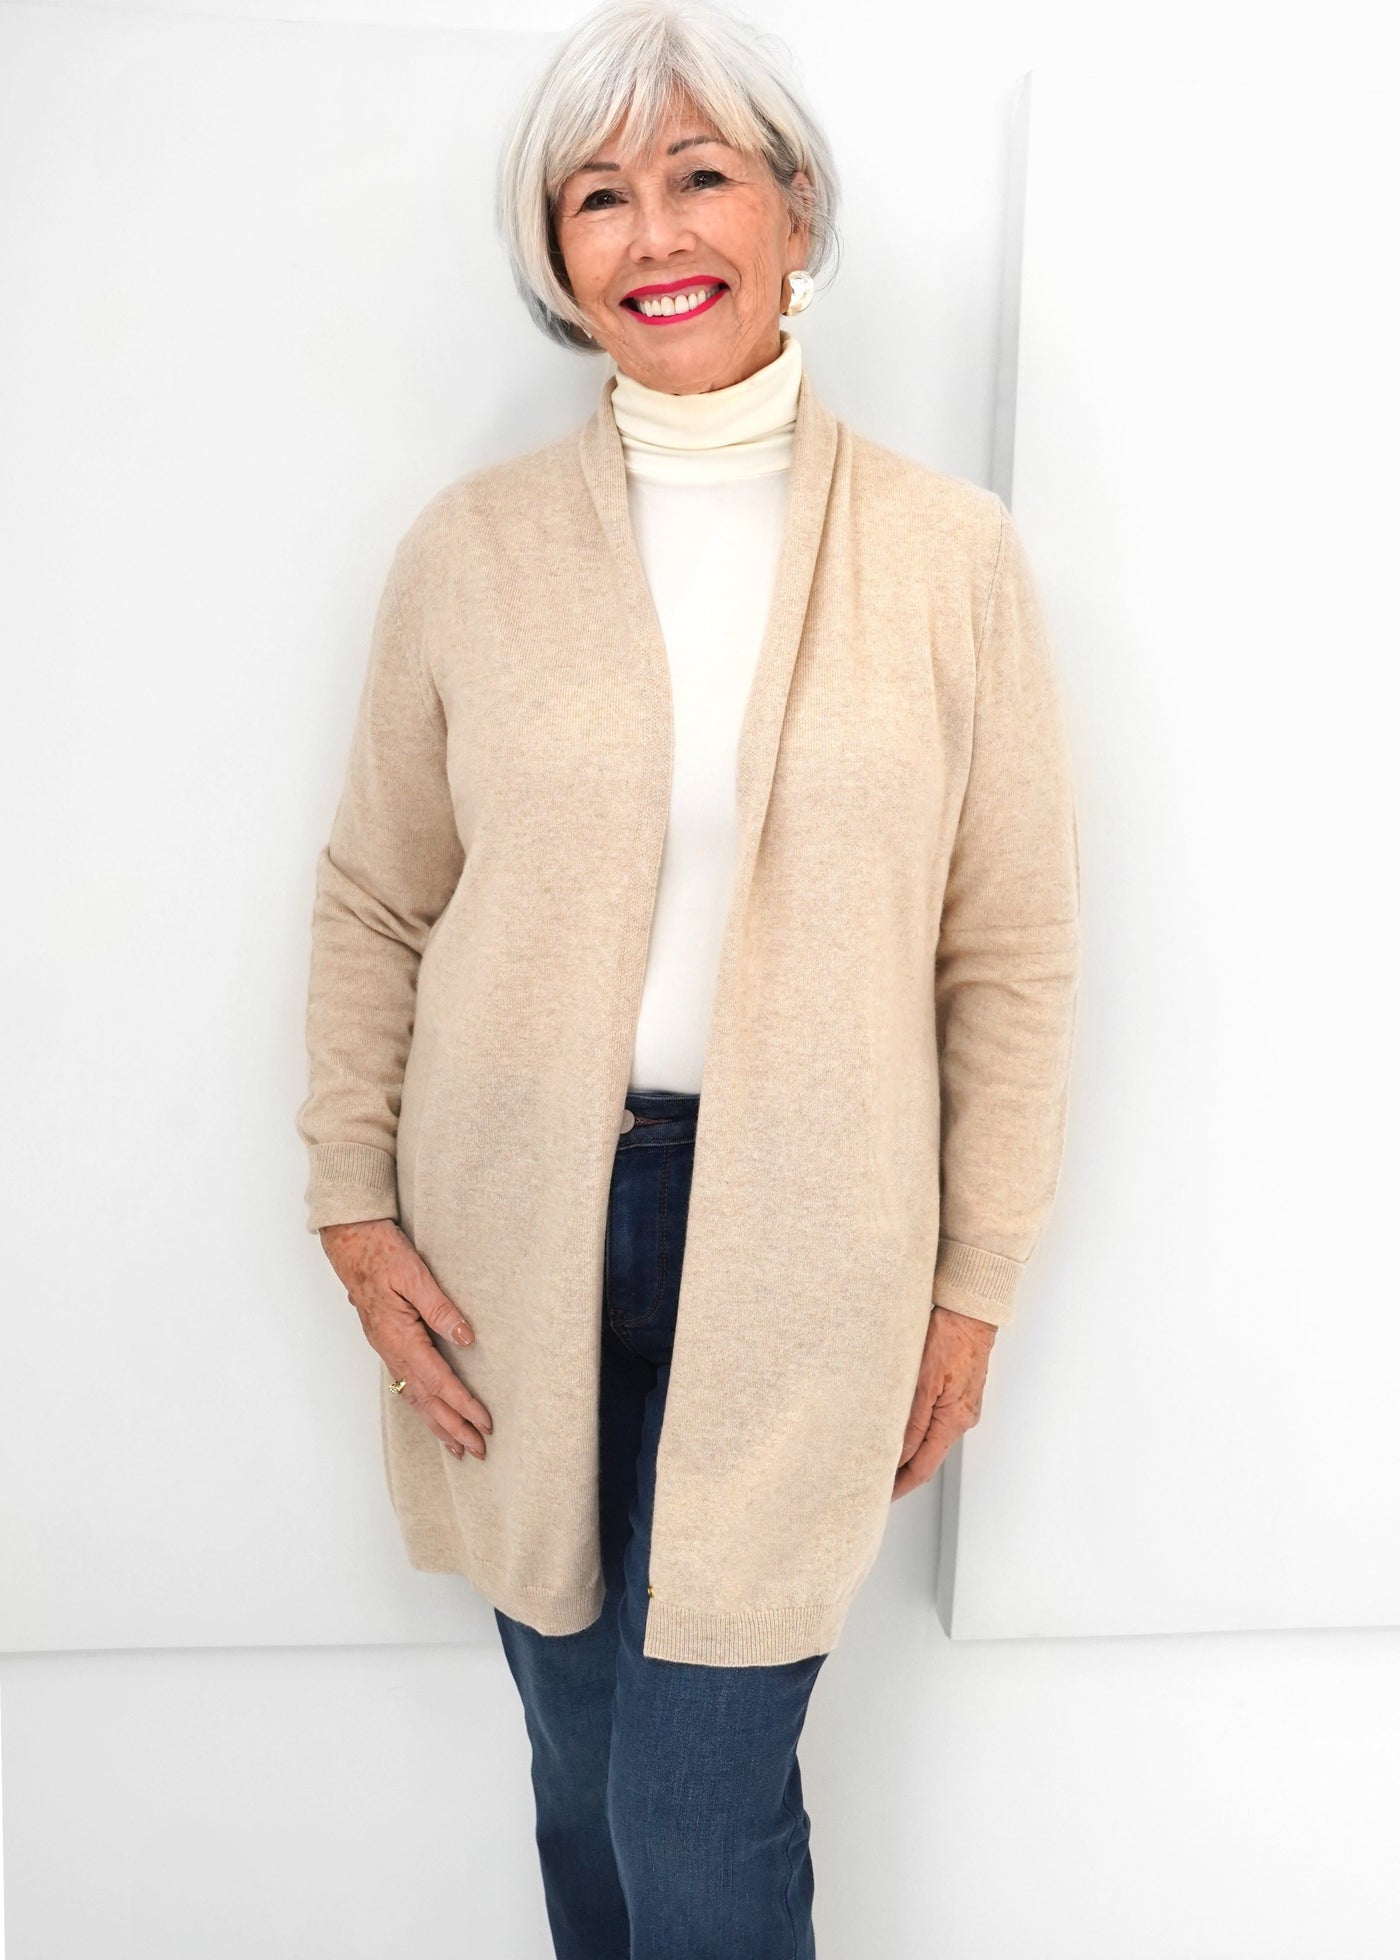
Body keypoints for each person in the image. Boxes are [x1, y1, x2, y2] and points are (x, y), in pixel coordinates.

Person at [295, 2, 1081, 1953]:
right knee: (580, 1776)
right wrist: (353, 1204)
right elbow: (377, 897)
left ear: (793, 213)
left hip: (812, 1253)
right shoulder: (469, 554)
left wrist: (974, 1280)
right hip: (509, 1244)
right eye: (597, 193)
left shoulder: (949, 557)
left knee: (690, 1791)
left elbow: (1008, 946)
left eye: (701, 173)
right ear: (556, 254)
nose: (653, 229)